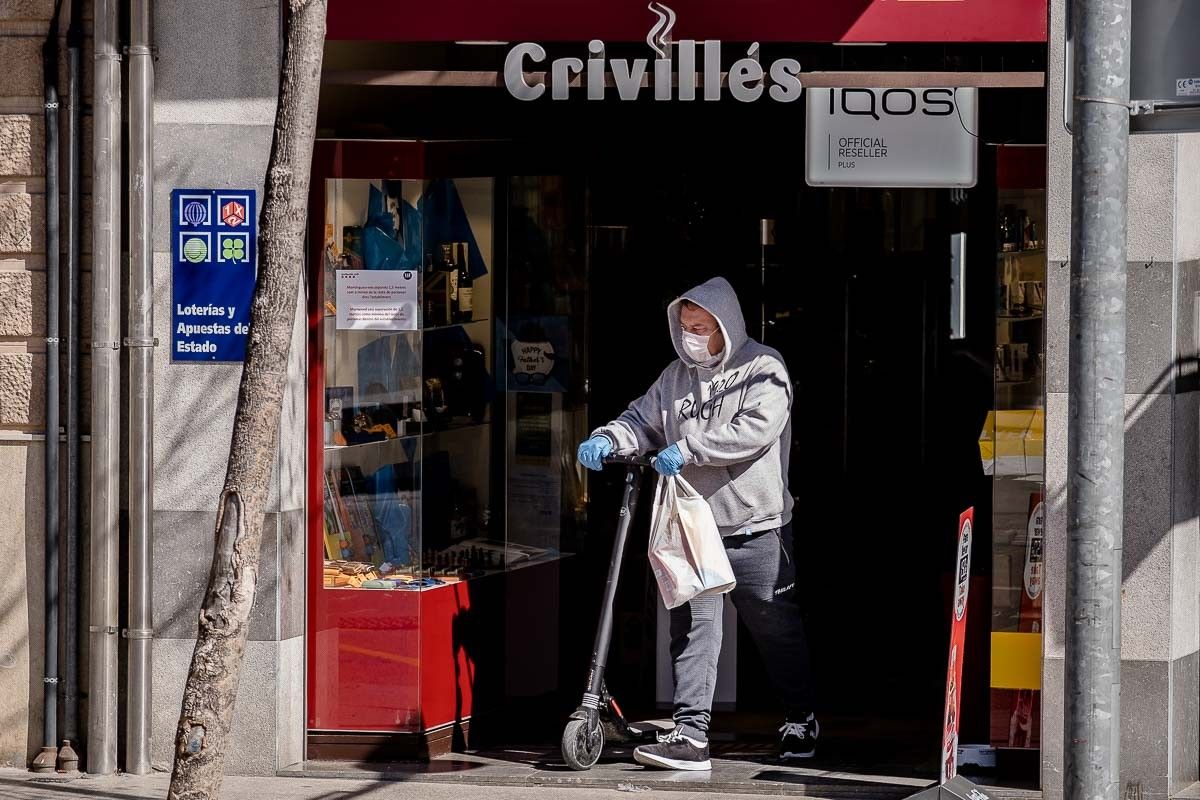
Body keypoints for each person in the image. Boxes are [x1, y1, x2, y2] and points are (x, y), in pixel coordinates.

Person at [577, 277, 818, 770]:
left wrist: (689, 449)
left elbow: (755, 429)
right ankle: (690, 735)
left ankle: (800, 717)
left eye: (701, 327)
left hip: (756, 524)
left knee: (774, 627)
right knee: (693, 629)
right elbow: (642, 420)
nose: (691, 336)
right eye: (685, 326)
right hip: (693, 524)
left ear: (725, 325)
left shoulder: (764, 367)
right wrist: (610, 438)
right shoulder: (674, 377)